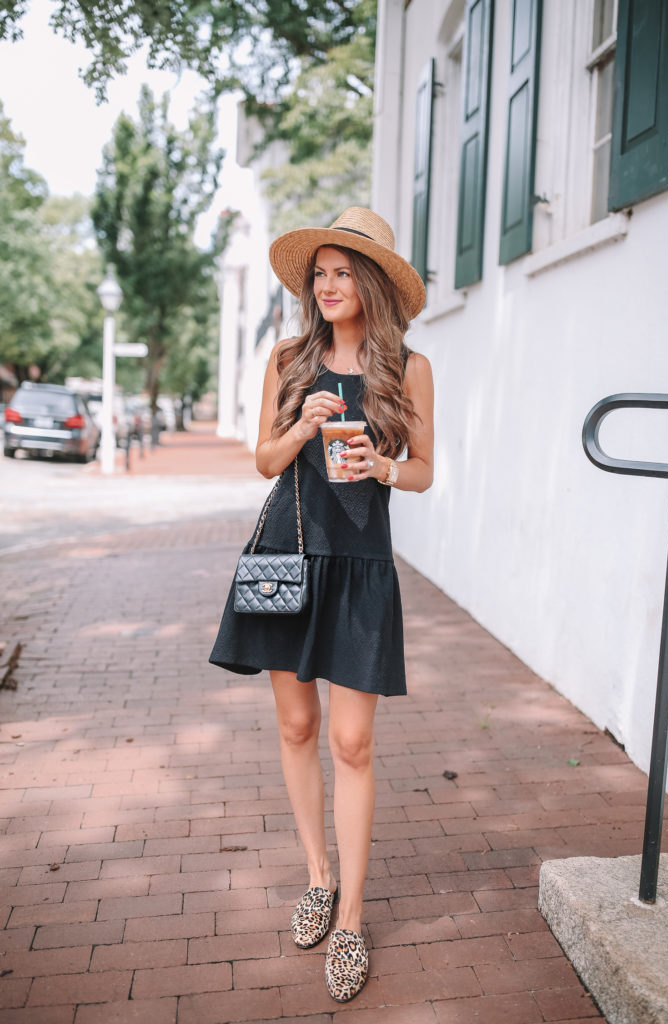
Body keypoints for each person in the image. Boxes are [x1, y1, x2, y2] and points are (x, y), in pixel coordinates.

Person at [209, 206, 434, 1002]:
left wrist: (381, 466)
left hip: (362, 563)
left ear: (371, 282)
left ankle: (352, 919)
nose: (330, 285)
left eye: (345, 272)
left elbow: (424, 472)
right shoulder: (288, 358)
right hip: (289, 555)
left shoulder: (407, 368)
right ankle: (316, 878)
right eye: (322, 273)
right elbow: (262, 460)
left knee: (353, 743)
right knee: (297, 725)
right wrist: (301, 427)